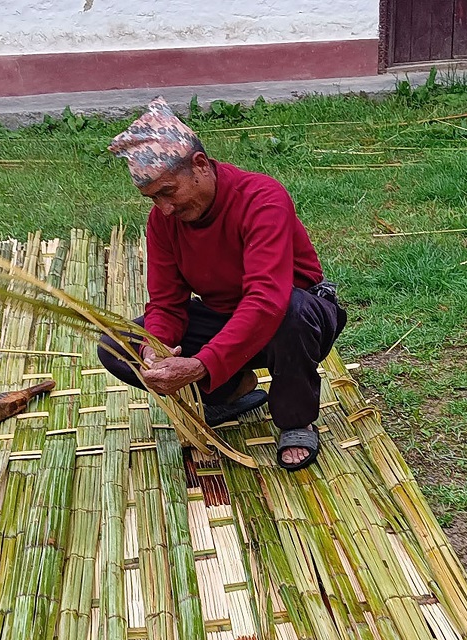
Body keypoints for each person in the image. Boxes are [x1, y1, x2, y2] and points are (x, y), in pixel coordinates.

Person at [98, 97, 346, 471]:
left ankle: (296, 419)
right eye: (152, 199)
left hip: (295, 317)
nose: (164, 208)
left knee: (290, 312)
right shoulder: (163, 221)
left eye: (168, 191)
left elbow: (266, 300)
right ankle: (231, 390)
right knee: (117, 345)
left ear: (200, 165)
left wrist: (200, 364)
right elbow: (167, 302)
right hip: (227, 319)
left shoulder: (262, 198)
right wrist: (157, 346)